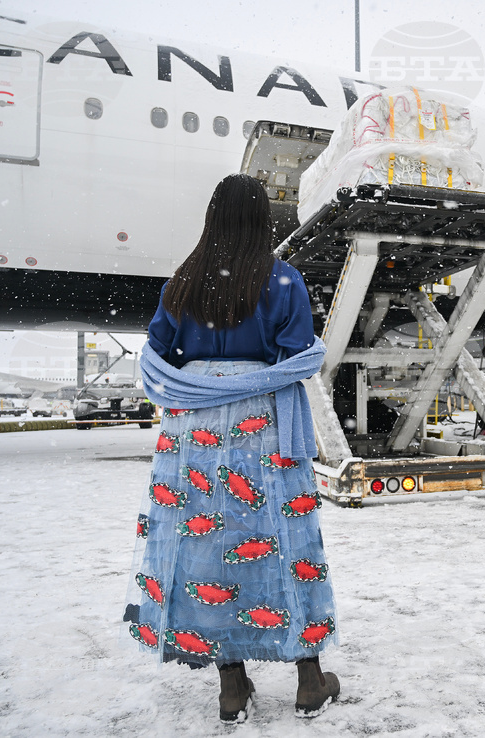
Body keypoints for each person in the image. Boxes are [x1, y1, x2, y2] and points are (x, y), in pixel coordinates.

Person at [123, 173, 340, 723]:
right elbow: (298, 354)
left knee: (203, 550)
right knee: (285, 539)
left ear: (212, 217)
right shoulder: (284, 282)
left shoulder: (182, 283)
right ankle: (309, 680)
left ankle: (231, 686)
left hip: (191, 431)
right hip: (259, 426)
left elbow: (157, 354)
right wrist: (248, 372)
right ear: (262, 220)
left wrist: (202, 380)